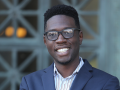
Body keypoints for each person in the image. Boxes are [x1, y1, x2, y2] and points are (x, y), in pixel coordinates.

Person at [20, 4, 120, 90]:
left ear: (80, 37)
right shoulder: (29, 83)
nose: (60, 40)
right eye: (52, 34)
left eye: (67, 32)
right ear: (45, 41)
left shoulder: (106, 83)